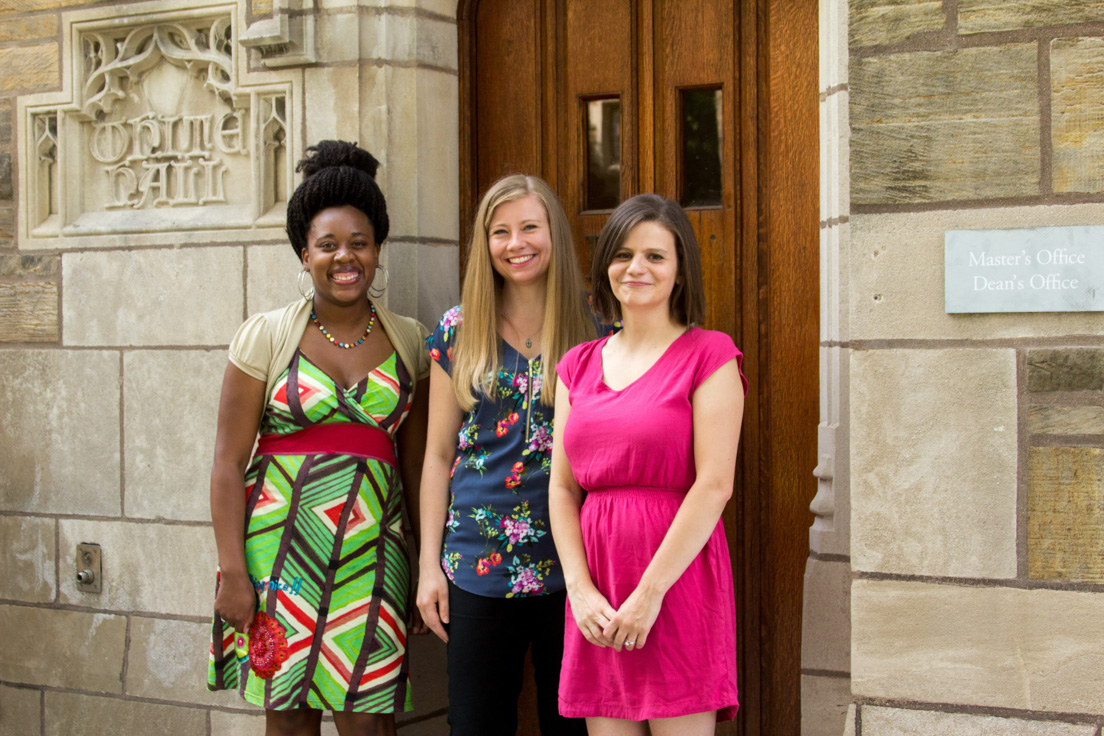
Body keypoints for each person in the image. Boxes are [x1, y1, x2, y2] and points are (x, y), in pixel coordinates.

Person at [207, 140, 430, 736]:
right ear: (304, 254)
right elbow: (228, 463)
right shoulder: (264, 336)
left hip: (373, 560)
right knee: (289, 724)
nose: (344, 257)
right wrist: (233, 571)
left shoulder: (414, 343)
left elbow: (417, 471)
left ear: (378, 250)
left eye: (359, 243)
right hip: (278, 559)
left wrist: (423, 565)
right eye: (327, 245)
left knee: (369, 727)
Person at [549, 194, 746, 735]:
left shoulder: (710, 355)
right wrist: (580, 589)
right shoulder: (577, 365)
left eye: (656, 256)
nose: (636, 268)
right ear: (605, 265)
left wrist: (650, 594)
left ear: (680, 270)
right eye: (623, 254)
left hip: (675, 583)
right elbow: (562, 488)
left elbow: (714, 485)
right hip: (600, 584)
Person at [416, 174, 595, 736]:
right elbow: (438, 452)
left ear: (553, 234)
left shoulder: (596, 325)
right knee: (474, 726)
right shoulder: (457, 329)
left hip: (575, 565)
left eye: (529, 227)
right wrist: (429, 567)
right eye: (500, 231)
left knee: (570, 726)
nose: (516, 242)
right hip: (475, 563)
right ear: (485, 243)